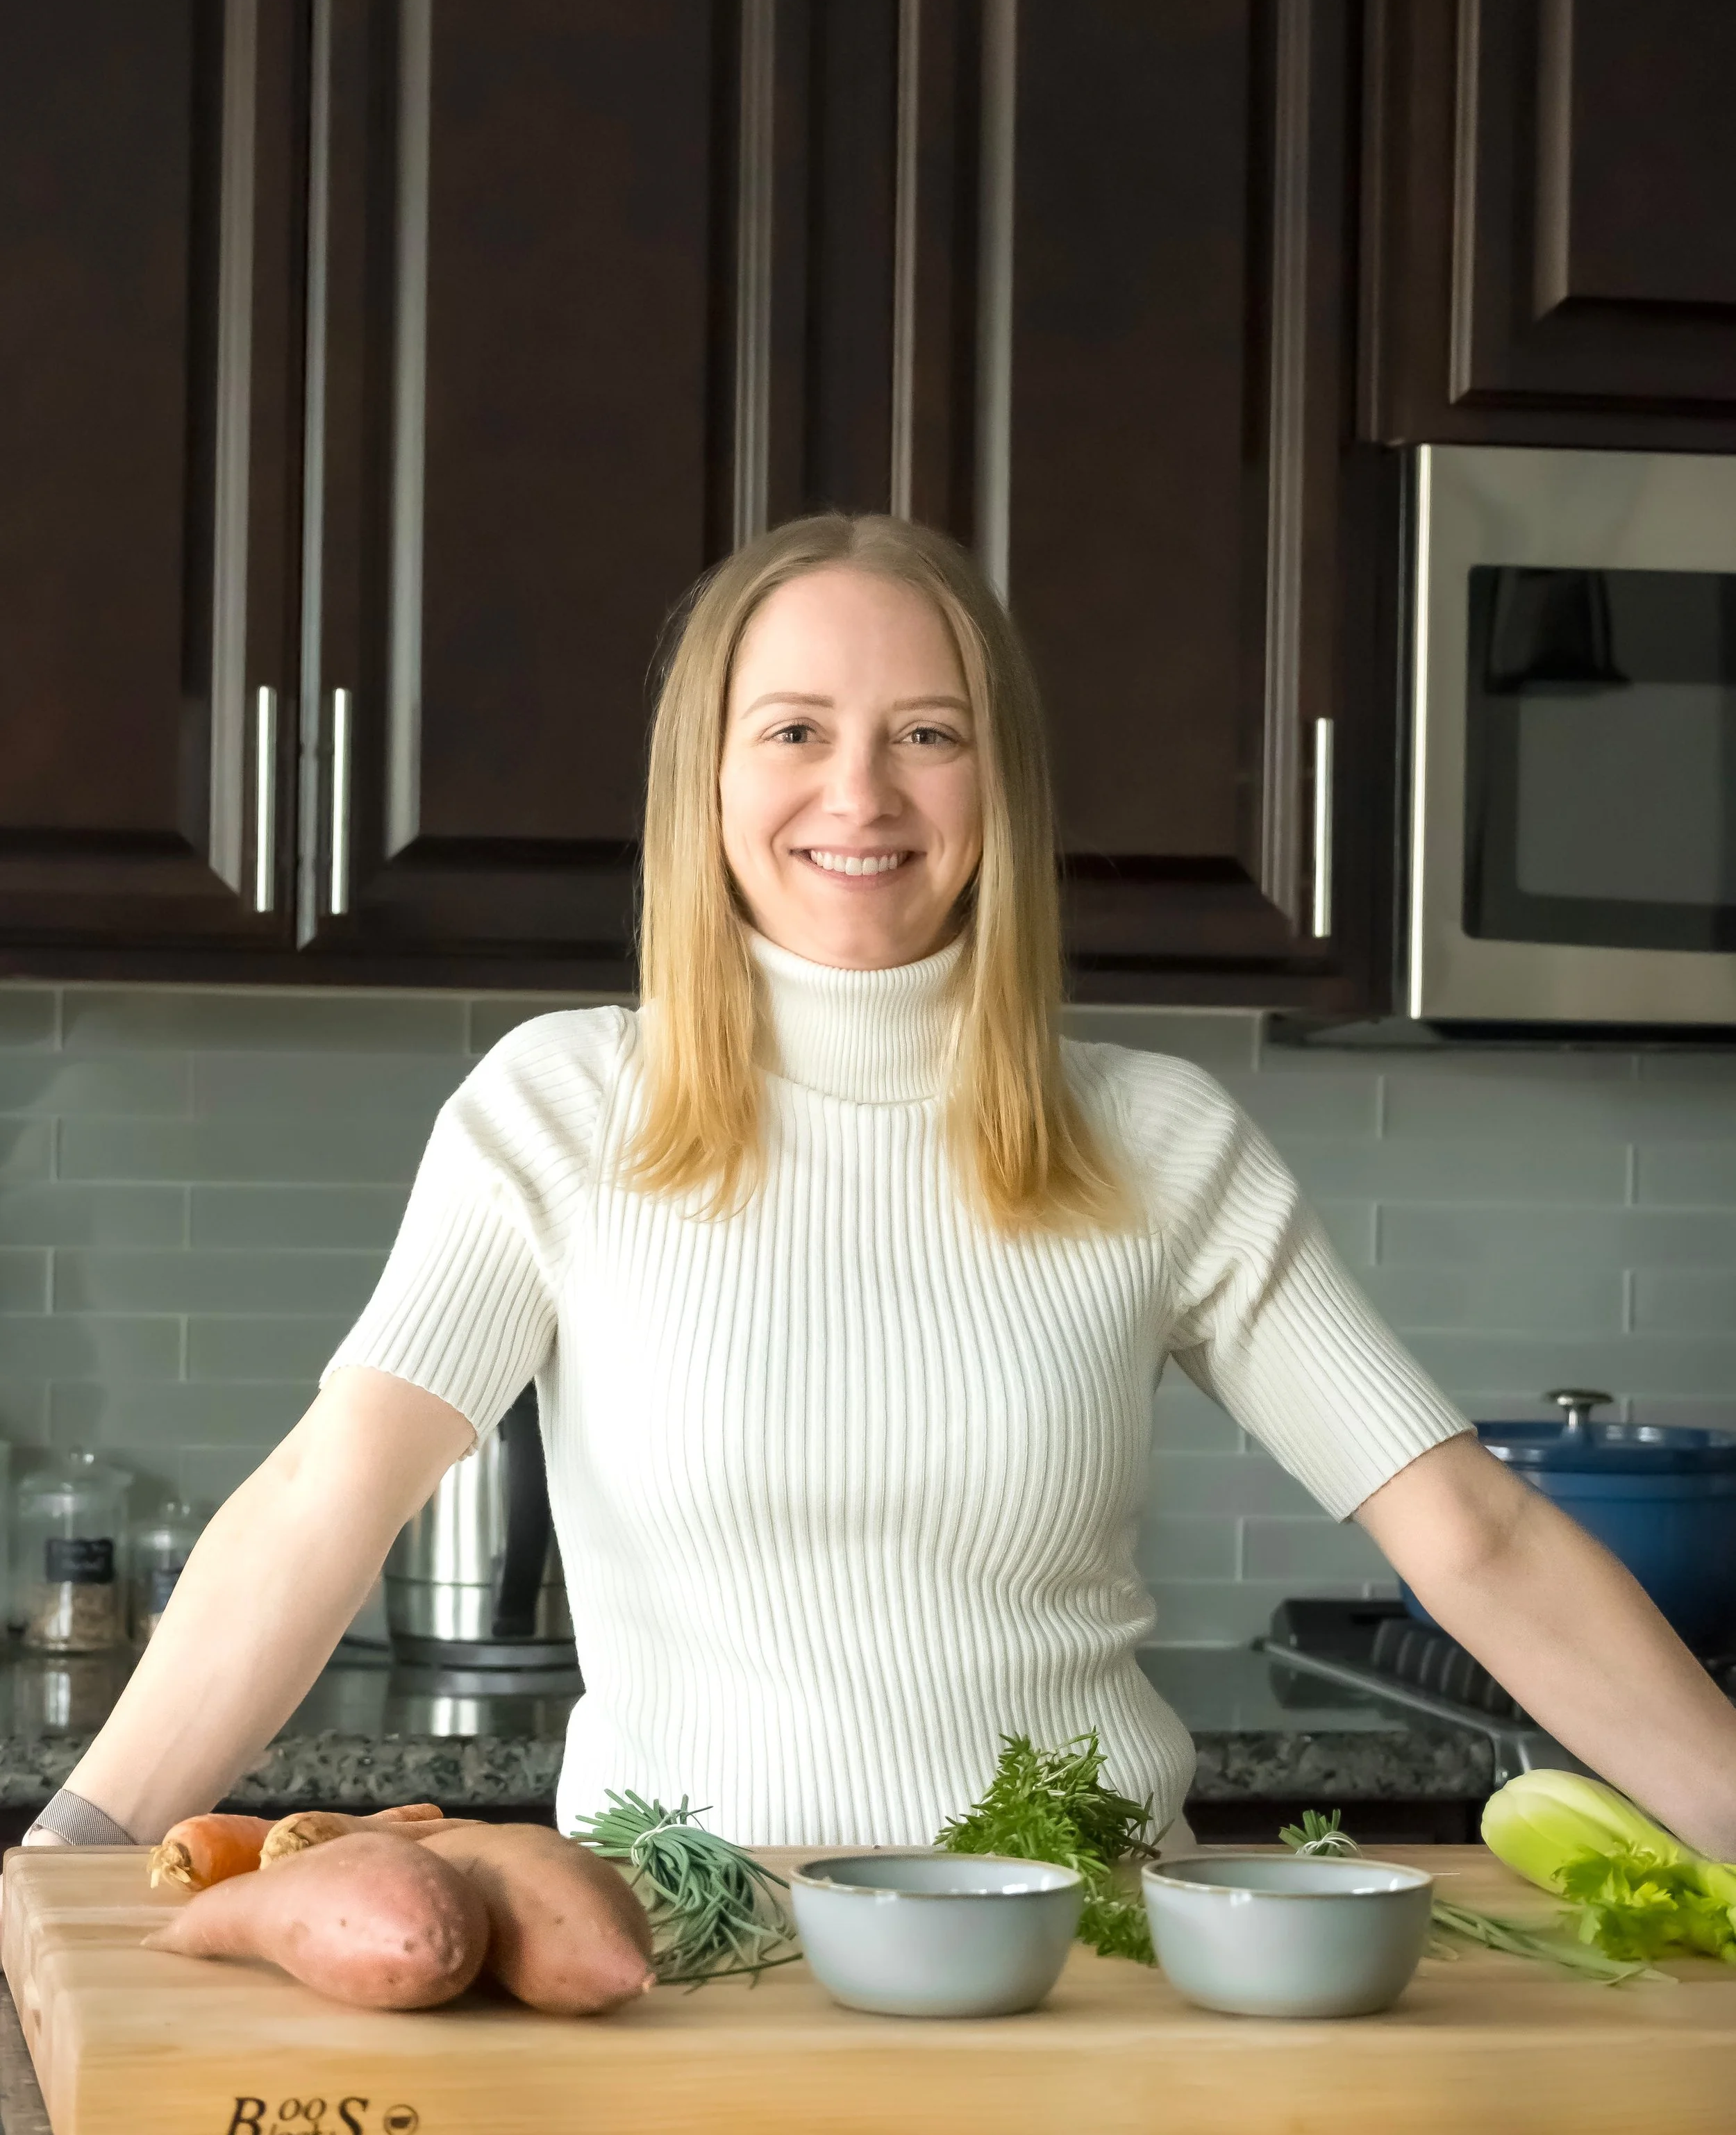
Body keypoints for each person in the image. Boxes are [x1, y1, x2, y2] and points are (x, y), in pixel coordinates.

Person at [30, 516, 1736, 1856]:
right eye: (792, 730)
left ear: (996, 789)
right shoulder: (557, 1107)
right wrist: (75, 1846)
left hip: (1087, 1958)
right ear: (705, 778)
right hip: (679, 1966)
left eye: (927, 732)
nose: (859, 793)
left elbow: (1474, 1533)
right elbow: (330, 1497)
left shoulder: (1156, 1139)